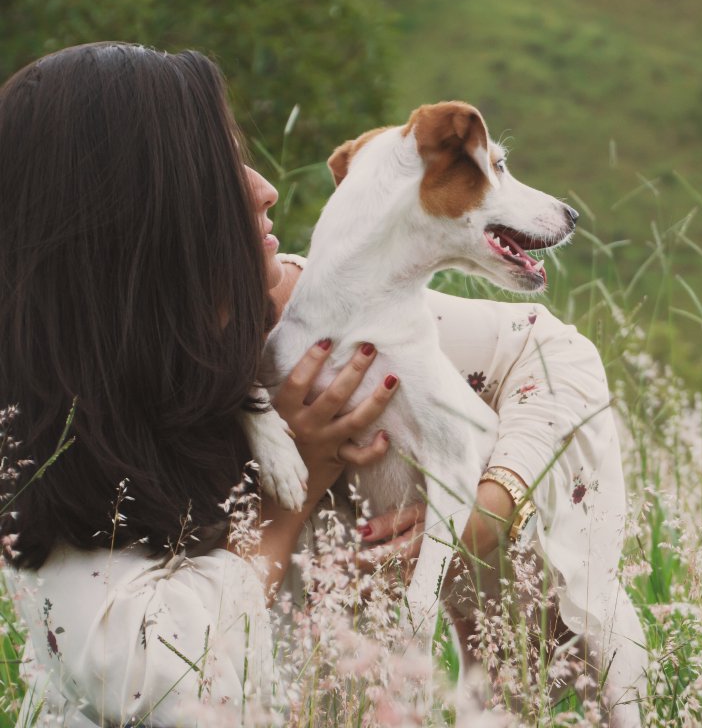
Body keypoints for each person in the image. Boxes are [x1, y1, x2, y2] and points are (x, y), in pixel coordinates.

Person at [0, 43, 645, 726]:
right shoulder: (46, 440)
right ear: (140, 220)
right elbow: (150, 683)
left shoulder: (323, 320)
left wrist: (488, 509)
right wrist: (292, 493)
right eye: (219, 169)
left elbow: (551, 355)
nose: (263, 187)